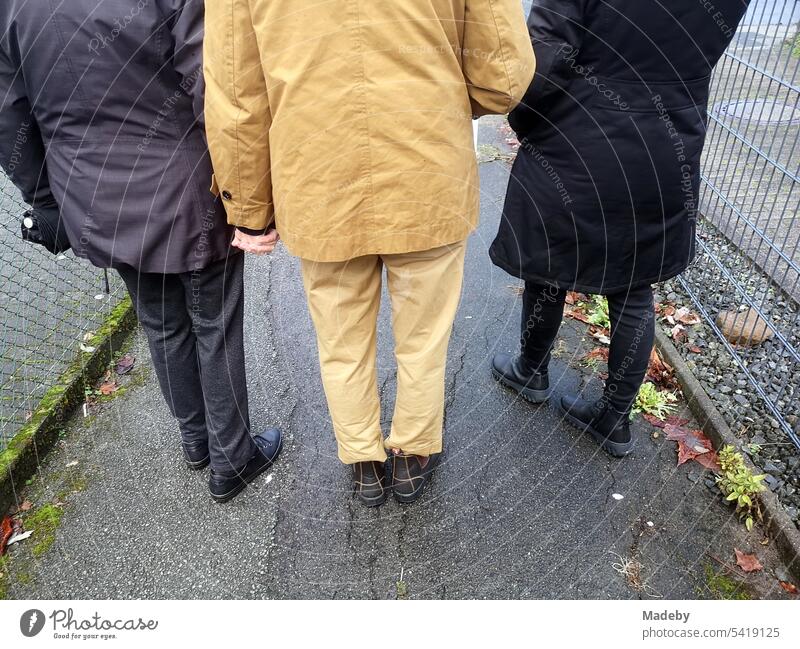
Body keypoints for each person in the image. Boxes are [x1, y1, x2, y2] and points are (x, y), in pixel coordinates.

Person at [204, 1, 535, 505]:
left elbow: (237, 95)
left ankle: (362, 456)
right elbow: (504, 74)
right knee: (424, 332)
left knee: (340, 337)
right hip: (426, 167)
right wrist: (437, 94)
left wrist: (250, 204)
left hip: (318, 176)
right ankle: (413, 451)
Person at [0, 0, 282, 502]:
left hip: (93, 199)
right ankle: (231, 458)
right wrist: (250, 190)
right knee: (213, 325)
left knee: (163, 323)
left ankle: (197, 441)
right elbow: (212, 85)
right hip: (186, 187)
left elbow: (9, 115)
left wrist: (46, 200)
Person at [489, 0, 750, 457]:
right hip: (669, 146)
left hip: (576, 135)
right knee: (635, 284)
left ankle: (531, 371)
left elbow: (545, 57)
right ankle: (613, 419)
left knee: (550, 263)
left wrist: (524, 121)